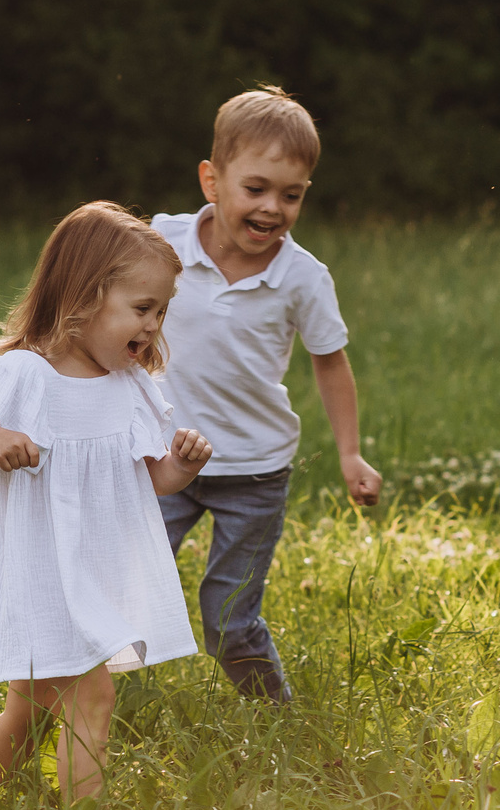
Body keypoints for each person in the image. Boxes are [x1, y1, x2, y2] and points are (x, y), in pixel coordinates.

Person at [0, 201, 215, 801]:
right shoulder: (24, 375)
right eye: (142, 308)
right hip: (37, 575)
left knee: (28, 713)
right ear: (83, 297)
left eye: (161, 311)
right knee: (93, 697)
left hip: (91, 576)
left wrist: (182, 466)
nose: (153, 325)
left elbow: (152, 478)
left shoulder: (130, 386)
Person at [153, 87, 382, 702]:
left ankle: (278, 719)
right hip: (160, 458)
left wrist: (350, 454)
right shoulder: (160, 242)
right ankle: (95, 701)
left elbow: (330, 363)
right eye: (255, 189)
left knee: (228, 619)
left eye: (291, 195)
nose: (272, 208)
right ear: (211, 180)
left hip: (252, 472)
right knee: (125, 585)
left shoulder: (302, 277)